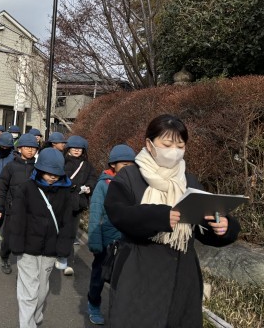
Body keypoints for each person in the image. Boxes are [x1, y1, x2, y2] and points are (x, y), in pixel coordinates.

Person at [104, 114, 241, 328]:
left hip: (182, 278)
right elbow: (118, 214)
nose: (174, 151)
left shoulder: (189, 180)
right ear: (149, 144)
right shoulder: (129, 176)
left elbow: (201, 223)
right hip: (138, 271)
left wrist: (224, 227)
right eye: (167, 145)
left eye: (180, 145)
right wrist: (159, 216)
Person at [9, 148, 74, 328]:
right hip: (27, 248)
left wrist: (63, 250)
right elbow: (17, 218)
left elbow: (67, 223)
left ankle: (36, 315)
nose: (53, 176)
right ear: (39, 169)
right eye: (48, 172)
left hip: (50, 249)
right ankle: (27, 324)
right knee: (28, 291)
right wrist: (16, 244)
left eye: (56, 173)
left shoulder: (64, 193)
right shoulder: (26, 189)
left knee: (42, 290)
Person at [86, 144, 136, 325]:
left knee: (123, 280)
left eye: (131, 164)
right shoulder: (103, 184)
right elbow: (95, 213)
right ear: (113, 165)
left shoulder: (136, 183)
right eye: (124, 164)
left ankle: (119, 312)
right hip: (107, 241)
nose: (128, 168)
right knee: (99, 276)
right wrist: (95, 242)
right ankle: (93, 303)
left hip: (128, 240)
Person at [0, 133, 39, 275]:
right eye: (27, 147)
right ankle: (4, 256)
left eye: (33, 148)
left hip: (31, 210)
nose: (30, 150)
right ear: (19, 149)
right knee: (9, 237)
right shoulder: (10, 167)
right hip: (12, 209)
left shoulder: (38, 169)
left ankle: (25, 263)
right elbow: (1, 187)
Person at [58, 135, 97, 276]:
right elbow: (57, 178)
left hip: (78, 203)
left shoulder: (87, 165)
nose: (76, 150)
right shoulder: (61, 161)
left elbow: (93, 178)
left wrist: (89, 187)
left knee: (71, 232)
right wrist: (73, 186)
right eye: (74, 148)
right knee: (61, 230)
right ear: (68, 148)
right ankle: (59, 254)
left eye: (79, 148)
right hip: (62, 201)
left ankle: (66, 260)